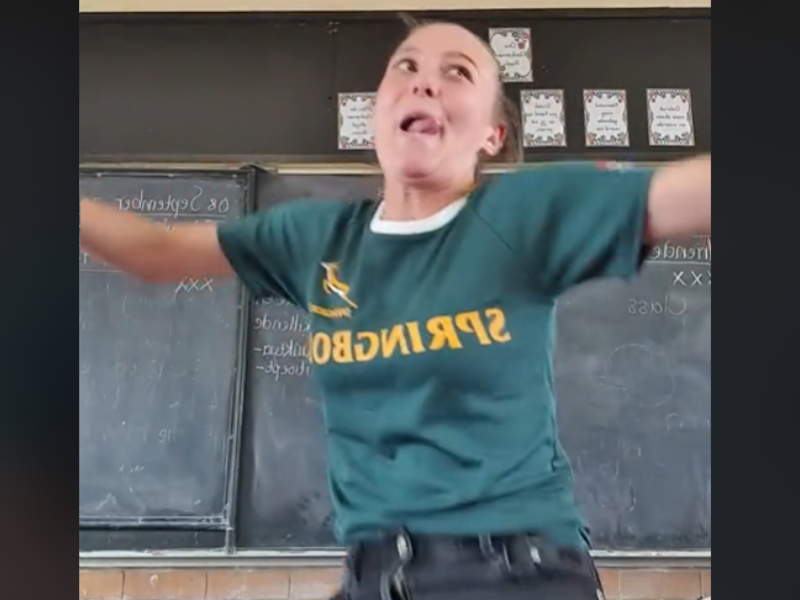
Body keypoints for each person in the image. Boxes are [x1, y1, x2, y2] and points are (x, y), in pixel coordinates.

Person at [80, 18, 711, 600]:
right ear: (377, 112)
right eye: (405, 68)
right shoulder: (314, 242)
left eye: (458, 72)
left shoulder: (524, 216)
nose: (425, 82)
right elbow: (155, 251)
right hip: (377, 575)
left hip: (516, 575)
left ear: (493, 134)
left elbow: (688, 194)